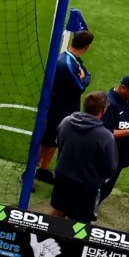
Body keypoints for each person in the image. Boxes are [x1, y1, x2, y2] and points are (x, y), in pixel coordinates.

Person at [48, 92, 118, 224]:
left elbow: (59, 143)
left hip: (62, 178)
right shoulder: (105, 136)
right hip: (86, 187)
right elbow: (110, 168)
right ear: (104, 110)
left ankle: (45, 235)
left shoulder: (66, 122)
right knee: (80, 222)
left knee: (58, 211)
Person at [38, 26, 93, 172]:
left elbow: (86, 74)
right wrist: (84, 79)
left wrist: (84, 77)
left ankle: (43, 170)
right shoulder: (67, 63)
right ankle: (28, 173)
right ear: (86, 47)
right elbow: (81, 86)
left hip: (64, 108)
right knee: (47, 141)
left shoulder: (73, 60)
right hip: (58, 109)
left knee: (53, 141)